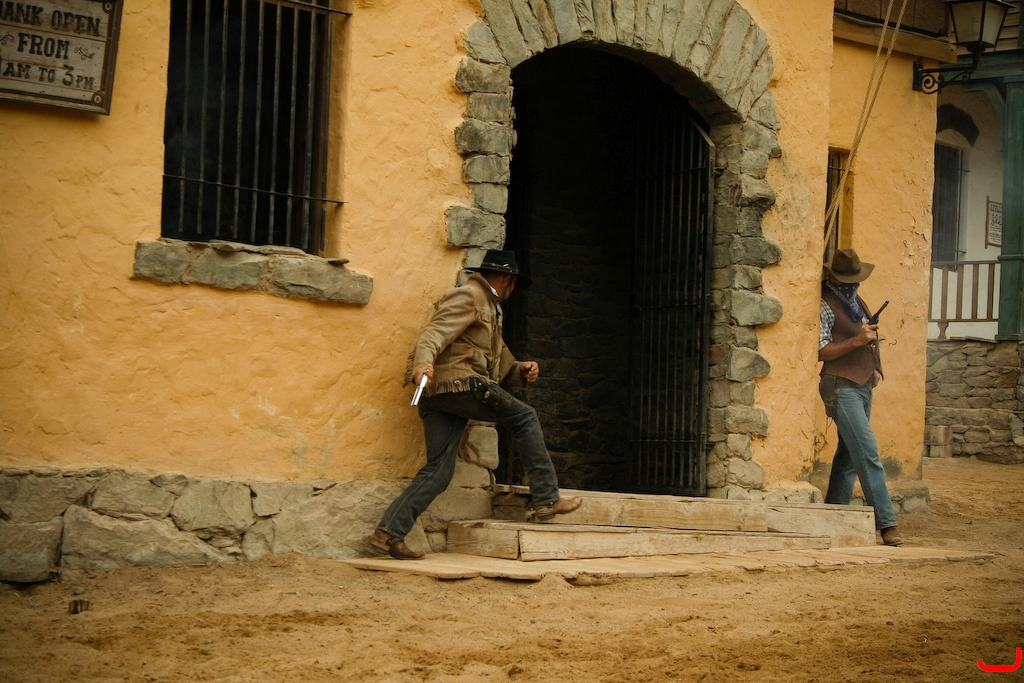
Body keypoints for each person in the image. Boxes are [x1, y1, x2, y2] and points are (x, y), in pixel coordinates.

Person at [368, 249, 583, 559]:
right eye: (513, 285)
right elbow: (433, 333)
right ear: (508, 279)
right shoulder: (469, 296)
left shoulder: (489, 308)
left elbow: (500, 363)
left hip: (441, 396)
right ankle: (547, 499)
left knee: (438, 472)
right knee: (525, 417)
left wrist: (521, 369)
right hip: (461, 386)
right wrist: (423, 364)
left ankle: (387, 533)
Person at [818, 248, 903, 547]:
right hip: (841, 387)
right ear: (834, 278)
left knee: (847, 458)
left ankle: (832, 520)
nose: (853, 284)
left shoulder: (856, 301)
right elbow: (820, 351)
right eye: (848, 280)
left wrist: (876, 369)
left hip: (863, 385)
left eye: (855, 279)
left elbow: (871, 337)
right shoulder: (825, 304)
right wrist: (857, 340)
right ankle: (887, 524)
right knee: (867, 452)